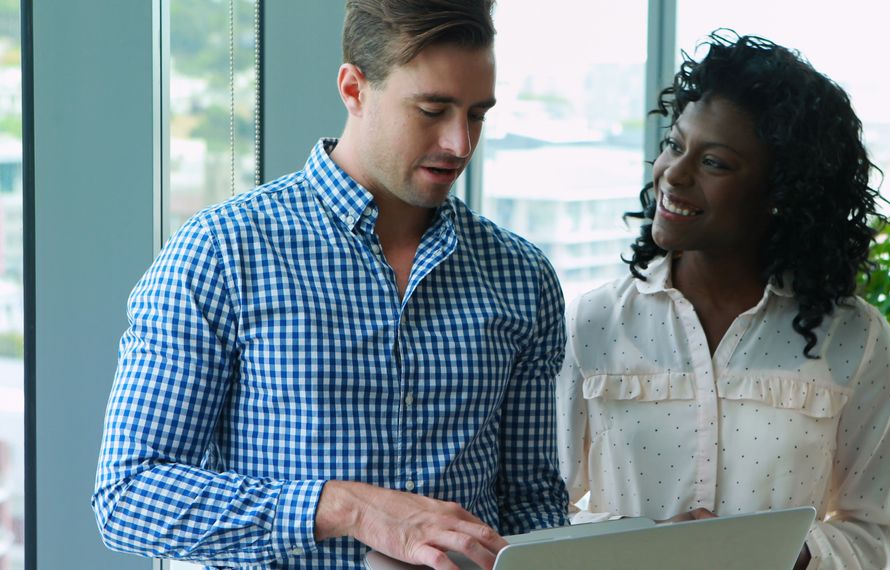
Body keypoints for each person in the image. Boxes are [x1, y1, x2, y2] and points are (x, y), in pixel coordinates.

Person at [92, 1, 569, 568]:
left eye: (477, 114)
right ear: (354, 88)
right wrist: (351, 508)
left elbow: (533, 507)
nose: (460, 143)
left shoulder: (522, 276)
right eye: (432, 110)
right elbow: (128, 497)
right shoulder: (221, 254)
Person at [557, 30, 890, 569]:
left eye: (714, 163)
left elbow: (871, 529)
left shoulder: (856, 340)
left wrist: (787, 555)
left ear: (781, 192)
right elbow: (539, 512)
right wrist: (646, 547)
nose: (673, 175)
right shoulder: (595, 321)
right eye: (675, 145)